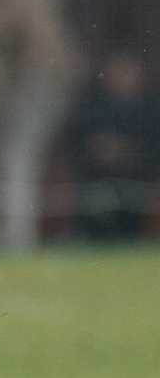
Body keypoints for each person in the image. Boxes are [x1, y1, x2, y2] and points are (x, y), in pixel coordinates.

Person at [66, 51, 153, 239]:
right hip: (93, 180)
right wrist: (97, 148)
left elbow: (152, 147)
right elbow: (72, 140)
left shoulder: (150, 109)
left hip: (134, 184)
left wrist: (127, 151)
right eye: (118, 71)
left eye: (128, 72)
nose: (122, 78)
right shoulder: (91, 105)